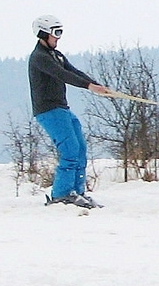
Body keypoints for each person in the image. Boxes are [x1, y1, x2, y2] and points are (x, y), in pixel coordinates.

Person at [28, 14, 113, 207]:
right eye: (55, 33)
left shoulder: (55, 55)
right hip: (49, 111)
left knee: (80, 148)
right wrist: (89, 87)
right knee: (70, 150)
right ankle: (62, 194)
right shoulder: (40, 58)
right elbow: (63, 74)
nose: (58, 37)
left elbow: (73, 71)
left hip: (62, 109)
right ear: (43, 33)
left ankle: (77, 192)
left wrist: (96, 85)